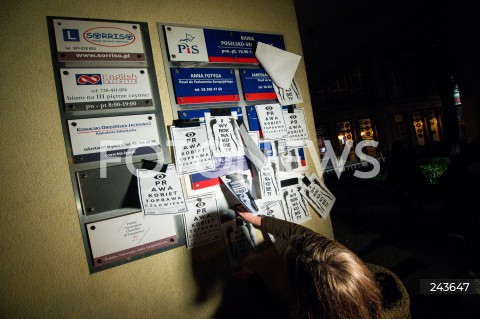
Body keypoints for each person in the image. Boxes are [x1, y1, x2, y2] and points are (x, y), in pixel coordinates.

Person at [235, 206, 410, 319]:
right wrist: (260, 220)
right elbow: (307, 238)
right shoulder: (382, 282)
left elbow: (275, 314)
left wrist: (254, 282)